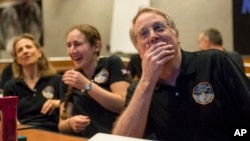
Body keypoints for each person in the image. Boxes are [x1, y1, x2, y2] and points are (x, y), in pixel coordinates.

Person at [112, 6, 250, 141]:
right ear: (139, 51)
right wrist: (147, 81)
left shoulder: (214, 62)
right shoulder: (138, 89)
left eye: (159, 27)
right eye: (144, 34)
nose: (153, 36)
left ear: (176, 35)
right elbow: (122, 139)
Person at [58, 24, 130, 138]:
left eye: (77, 44)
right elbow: (62, 124)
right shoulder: (70, 78)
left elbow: (123, 105)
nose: (72, 51)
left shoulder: (111, 63)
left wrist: (87, 85)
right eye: (69, 45)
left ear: (96, 46)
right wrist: (70, 123)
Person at [3, 33, 61, 132]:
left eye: (28, 47)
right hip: (24, 132)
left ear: (39, 53)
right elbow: (9, 120)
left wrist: (58, 103)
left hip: (52, 131)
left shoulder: (57, 80)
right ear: (17, 60)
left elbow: (69, 107)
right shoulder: (11, 86)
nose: (25, 51)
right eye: (20, 50)